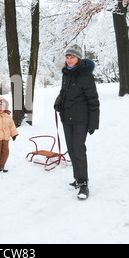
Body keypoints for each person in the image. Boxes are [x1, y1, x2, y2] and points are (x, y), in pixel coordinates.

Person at [54, 44, 100, 200]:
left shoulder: (86, 76)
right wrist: (58, 101)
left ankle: (84, 184)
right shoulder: (66, 74)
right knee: (71, 150)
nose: (69, 60)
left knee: (79, 150)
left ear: (78, 59)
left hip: (81, 120)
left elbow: (93, 100)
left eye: (72, 57)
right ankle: (77, 178)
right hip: (67, 118)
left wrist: (93, 123)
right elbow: (63, 92)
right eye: (67, 57)